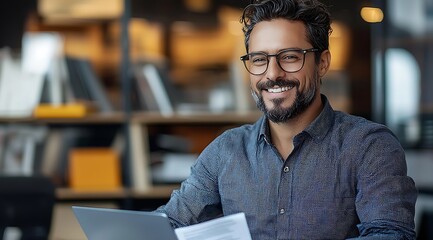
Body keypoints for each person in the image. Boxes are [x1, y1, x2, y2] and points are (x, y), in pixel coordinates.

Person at [155, 0, 418, 239]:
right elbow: (170, 224)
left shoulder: (368, 146)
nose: (273, 74)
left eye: (290, 57)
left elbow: (391, 234)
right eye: (259, 59)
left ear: (322, 63)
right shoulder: (225, 151)